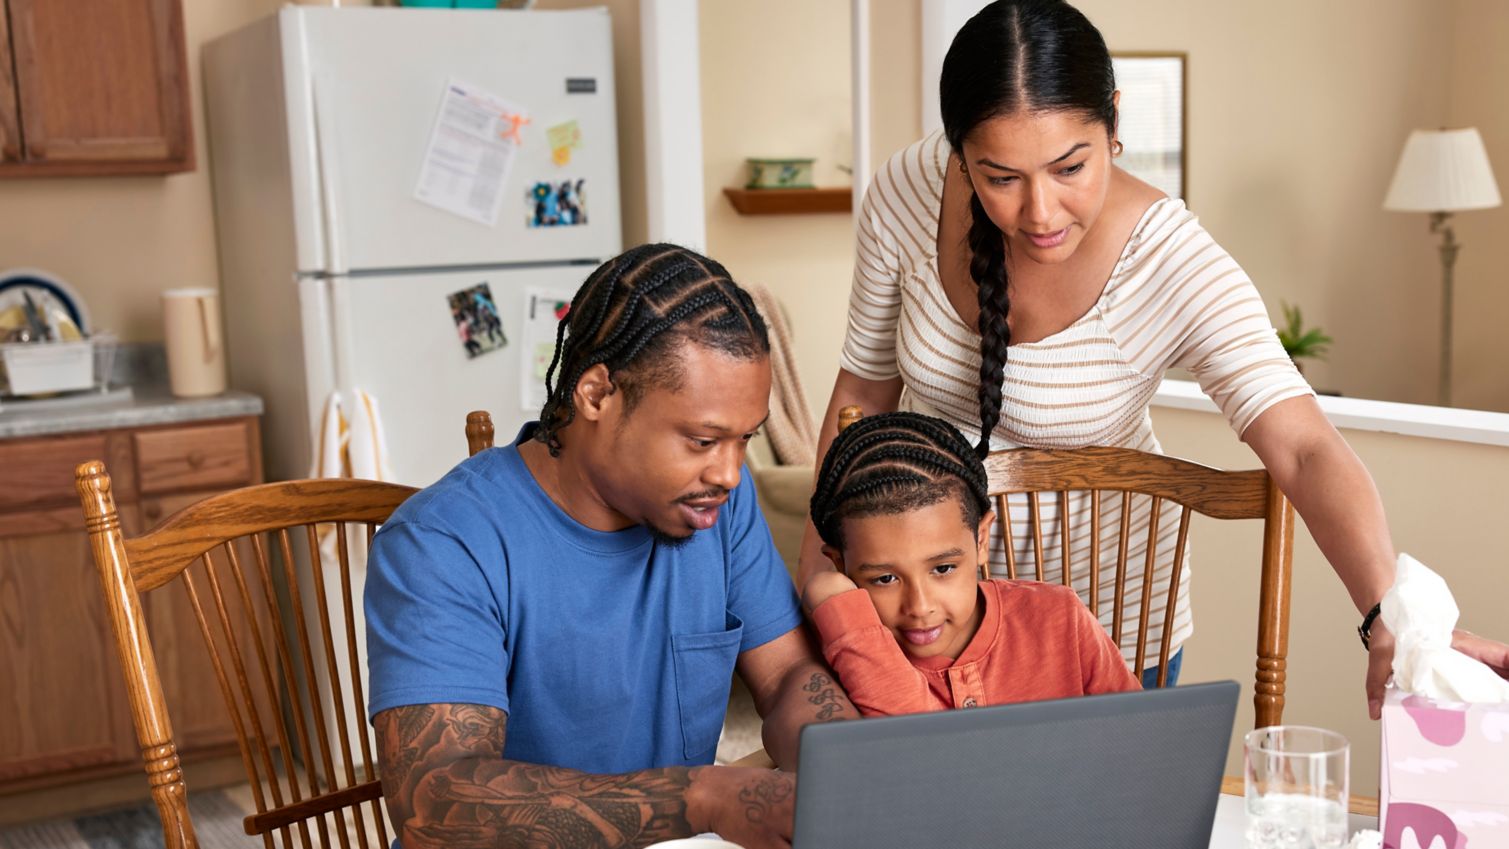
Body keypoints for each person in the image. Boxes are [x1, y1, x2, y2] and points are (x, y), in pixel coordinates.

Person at [798, 0, 1509, 717]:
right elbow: (860, 389)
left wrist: (1391, 612)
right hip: (917, 620)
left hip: (1103, 628)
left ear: (1113, 123)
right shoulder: (904, 192)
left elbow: (1301, 446)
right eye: (1001, 178)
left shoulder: (1168, 261)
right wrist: (810, 601)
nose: (1040, 212)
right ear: (958, 154)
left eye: (1068, 166)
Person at [366, 244, 856, 849]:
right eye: (703, 440)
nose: (730, 473)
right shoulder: (443, 543)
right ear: (596, 395)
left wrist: (844, 772)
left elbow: (787, 676)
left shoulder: (716, 505)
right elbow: (433, 803)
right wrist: (701, 798)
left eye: (744, 439)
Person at [801, 411, 1138, 716]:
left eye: (943, 569)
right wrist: (830, 595)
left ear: (980, 541)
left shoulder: (1060, 617)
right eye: (886, 578)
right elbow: (916, 750)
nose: (920, 607)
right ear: (841, 566)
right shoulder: (851, 647)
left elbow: (1140, 737)